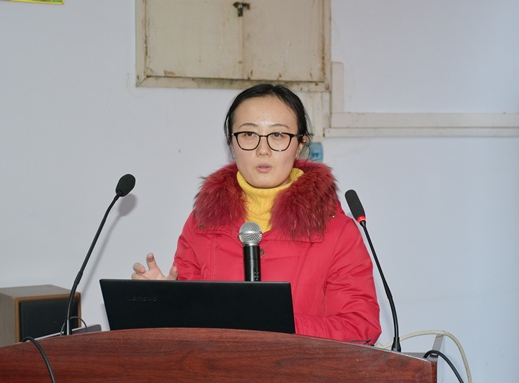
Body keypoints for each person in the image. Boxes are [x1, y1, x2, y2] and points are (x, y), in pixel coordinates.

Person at [132, 84, 381, 344]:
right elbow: (190, 328)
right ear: (231, 143)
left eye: (278, 135)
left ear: (299, 144)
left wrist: (276, 323)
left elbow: (359, 328)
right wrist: (162, 302)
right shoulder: (202, 224)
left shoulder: (337, 232)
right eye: (249, 134)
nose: (263, 150)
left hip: (301, 370)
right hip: (218, 369)